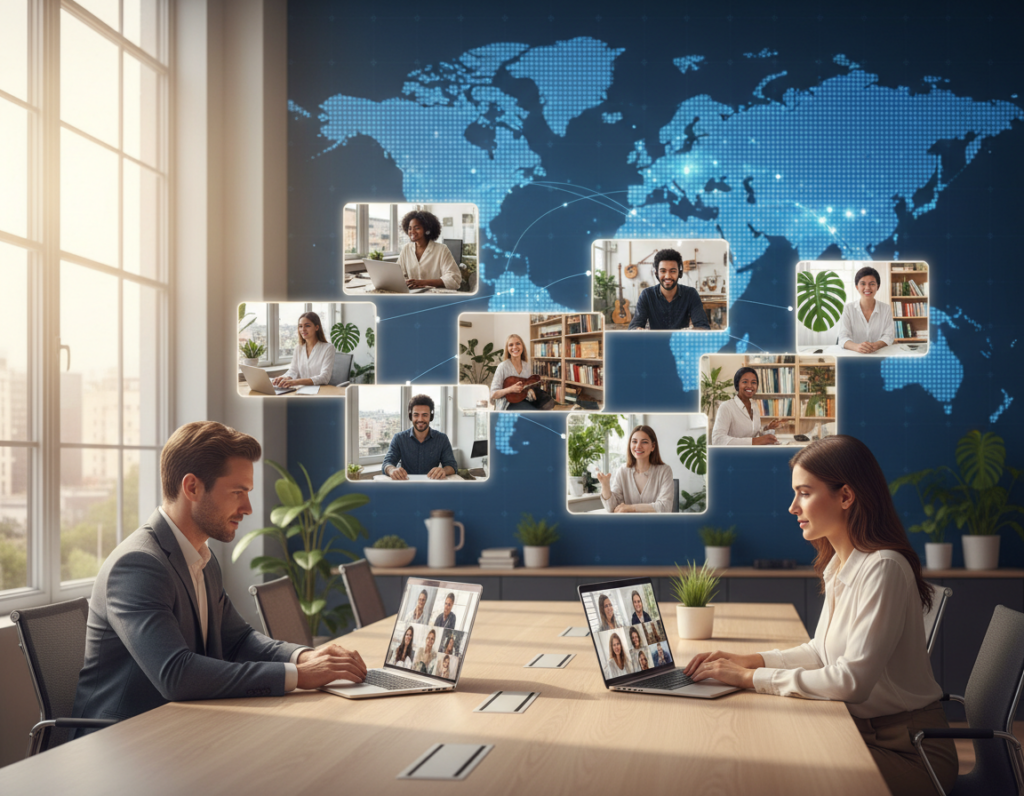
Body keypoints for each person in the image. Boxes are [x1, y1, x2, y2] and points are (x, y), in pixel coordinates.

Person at [683, 435, 957, 796]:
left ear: (846, 496)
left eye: (804, 493)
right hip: (861, 733)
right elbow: (820, 652)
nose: (792, 507)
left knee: (774, 774)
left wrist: (751, 678)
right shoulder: (839, 565)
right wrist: (748, 660)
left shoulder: (884, 568)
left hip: (911, 753)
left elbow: (851, 681)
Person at [70, 421, 367, 737]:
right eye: (238, 492)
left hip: (180, 729)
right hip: (120, 740)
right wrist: (298, 675)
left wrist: (305, 657)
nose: (247, 508)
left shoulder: (202, 559)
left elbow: (239, 640)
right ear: (192, 487)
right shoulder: (138, 565)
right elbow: (176, 674)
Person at [595, 425, 675, 512]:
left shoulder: (664, 471)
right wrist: (605, 486)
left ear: (653, 446)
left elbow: (665, 507)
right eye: (634, 441)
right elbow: (612, 508)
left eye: (644, 442)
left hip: (654, 521)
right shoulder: (622, 471)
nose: (638, 446)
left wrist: (631, 508)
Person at [628, 249, 710, 330]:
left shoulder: (691, 294)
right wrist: (637, 330)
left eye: (673, 271)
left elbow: (704, 327)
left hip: (681, 338)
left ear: (680, 273)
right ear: (656, 273)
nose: (667, 276)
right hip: (655, 339)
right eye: (663, 271)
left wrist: (693, 331)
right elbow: (633, 327)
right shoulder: (647, 295)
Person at [383, 394, 458, 479]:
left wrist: (443, 470)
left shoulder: (442, 439)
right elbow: (387, 463)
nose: (420, 419)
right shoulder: (399, 438)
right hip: (406, 484)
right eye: (416, 415)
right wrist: (392, 470)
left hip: (431, 484)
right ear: (410, 416)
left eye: (425, 415)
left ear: (431, 416)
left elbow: (452, 466)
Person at [711, 367, 784, 446]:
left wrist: (767, 429)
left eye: (753, 382)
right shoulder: (726, 407)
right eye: (745, 382)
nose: (749, 386)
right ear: (737, 384)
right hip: (733, 453)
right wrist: (754, 441)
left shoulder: (754, 406)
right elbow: (718, 440)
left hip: (752, 452)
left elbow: (753, 433)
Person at [397, 209, 462, 291]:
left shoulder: (441, 249)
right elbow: (398, 274)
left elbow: (454, 279)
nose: (412, 231)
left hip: (435, 294)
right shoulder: (406, 249)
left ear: (427, 230)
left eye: (417, 228)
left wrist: (423, 283)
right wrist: (408, 283)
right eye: (410, 228)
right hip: (412, 294)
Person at [837, 266, 895, 354]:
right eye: (863, 284)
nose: (867, 288)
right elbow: (843, 338)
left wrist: (876, 345)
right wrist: (857, 347)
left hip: (878, 354)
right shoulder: (848, 309)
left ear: (878, 287)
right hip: (855, 355)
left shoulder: (886, 309)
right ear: (857, 287)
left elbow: (889, 336)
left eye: (872, 284)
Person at [271, 311, 334, 388]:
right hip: (301, 389)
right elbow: (293, 370)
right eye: (300, 326)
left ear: (317, 327)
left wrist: (296, 382)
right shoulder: (298, 348)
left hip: (320, 390)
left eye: (307, 326)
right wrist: (285, 378)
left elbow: (324, 377)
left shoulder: (328, 348)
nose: (303, 329)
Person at [489, 334, 536, 411]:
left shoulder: (527, 366)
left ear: (522, 346)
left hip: (524, 400)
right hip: (507, 405)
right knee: (533, 413)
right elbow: (493, 394)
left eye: (518, 343)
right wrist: (510, 389)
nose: (514, 347)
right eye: (511, 345)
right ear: (507, 349)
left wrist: (530, 390)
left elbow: (527, 385)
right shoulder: (502, 367)